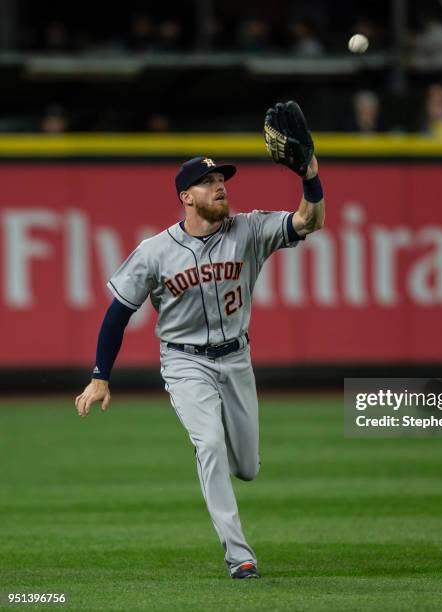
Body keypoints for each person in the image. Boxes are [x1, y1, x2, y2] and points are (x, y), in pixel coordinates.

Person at [75, 138, 325, 577]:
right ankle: (239, 555)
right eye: (207, 182)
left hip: (236, 359)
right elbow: (118, 314)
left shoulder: (249, 229)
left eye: (221, 179)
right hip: (184, 361)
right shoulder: (156, 251)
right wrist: (100, 376)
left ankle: (231, 466)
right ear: (185, 197)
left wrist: (310, 177)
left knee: (246, 467)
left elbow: (309, 220)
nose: (220, 187)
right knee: (208, 444)